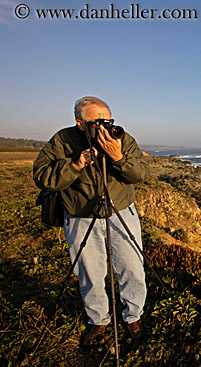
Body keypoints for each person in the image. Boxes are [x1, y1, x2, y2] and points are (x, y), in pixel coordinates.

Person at [33, 96, 150, 346]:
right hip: (80, 215)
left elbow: (141, 173)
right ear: (80, 123)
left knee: (132, 268)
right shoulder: (62, 141)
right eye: (97, 122)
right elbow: (42, 177)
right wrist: (77, 164)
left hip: (120, 210)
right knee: (90, 272)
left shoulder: (121, 138)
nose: (105, 126)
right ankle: (98, 320)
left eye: (108, 120)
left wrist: (118, 157)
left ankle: (133, 317)